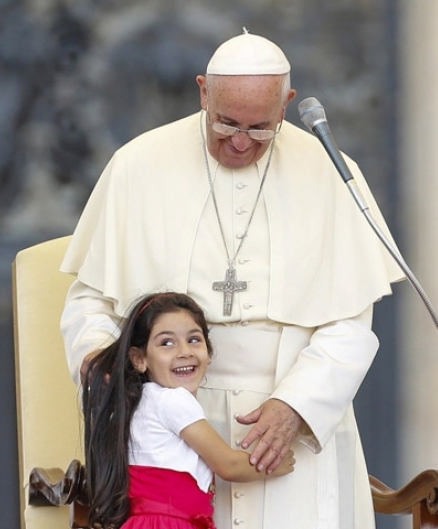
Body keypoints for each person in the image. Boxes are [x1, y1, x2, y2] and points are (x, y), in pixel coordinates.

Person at [60, 28, 406, 529]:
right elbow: (90, 300)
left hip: (290, 419)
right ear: (203, 91)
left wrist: (297, 406)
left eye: (260, 128)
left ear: (286, 104)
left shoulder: (331, 171)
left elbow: (352, 324)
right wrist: (104, 367)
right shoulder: (137, 165)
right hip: (168, 422)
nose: (241, 142)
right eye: (224, 124)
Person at [81, 291, 295, 529]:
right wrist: (276, 463)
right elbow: (228, 465)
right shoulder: (173, 401)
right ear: (139, 359)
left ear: (209, 353)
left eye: (194, 339)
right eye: (167, 343)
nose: (184, 351)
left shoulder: (139, 402)